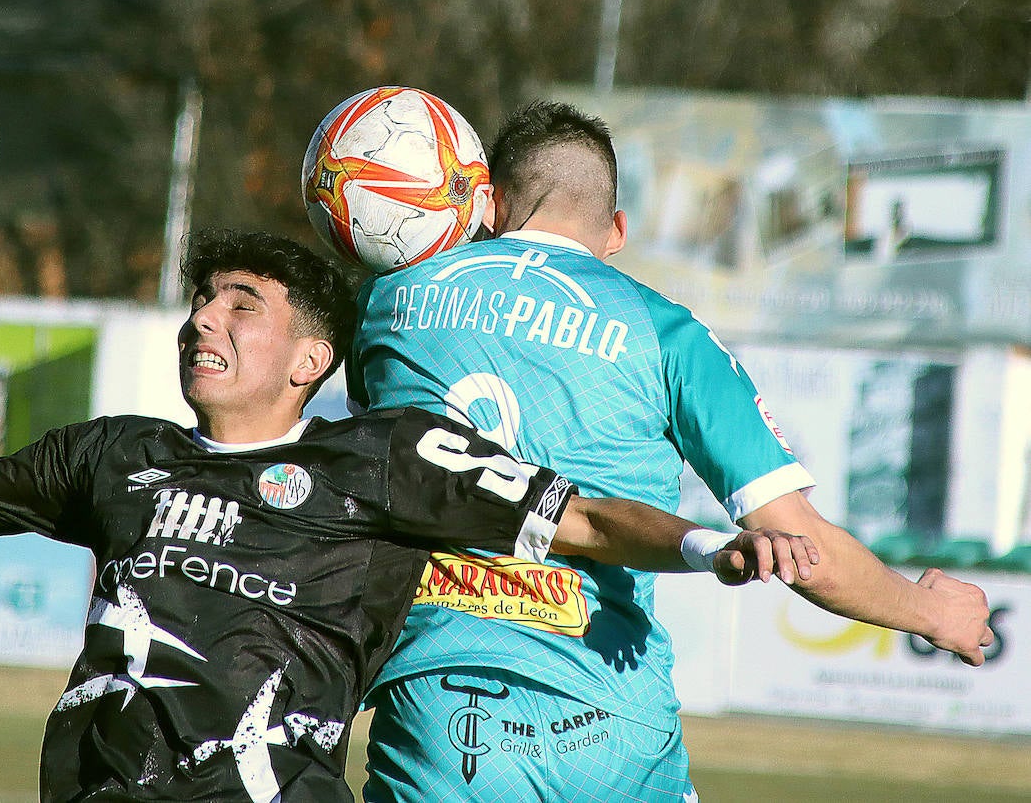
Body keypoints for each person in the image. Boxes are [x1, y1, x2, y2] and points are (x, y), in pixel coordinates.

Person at [0, 230, 816, 803]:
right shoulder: (114, 455)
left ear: (313, 357)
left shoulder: (385, 458)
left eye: (239, 305)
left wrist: (720, 547)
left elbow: (585, 523)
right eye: (197, 301)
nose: (201, 321)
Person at [350, 100, 996, 802]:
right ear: (618, 231)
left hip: (446, 707)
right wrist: (930, 612)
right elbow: (799, 545)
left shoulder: (389, 302)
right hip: (614, 724)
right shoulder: (671, 335)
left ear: (491, 204)